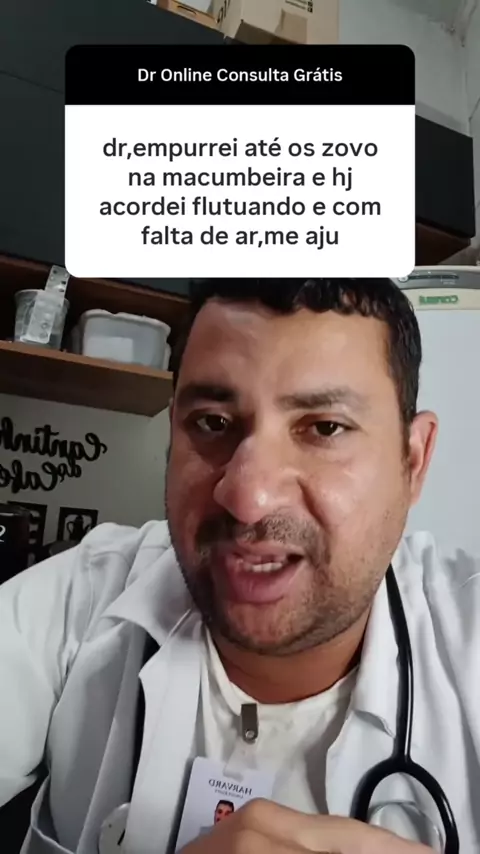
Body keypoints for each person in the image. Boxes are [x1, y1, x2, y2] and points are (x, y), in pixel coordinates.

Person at [1, 278, 479, 854]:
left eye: (324, 428)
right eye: (212, 422)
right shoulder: (80, 598)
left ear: (413, 460)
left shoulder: (469, 640)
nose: (248, 498)